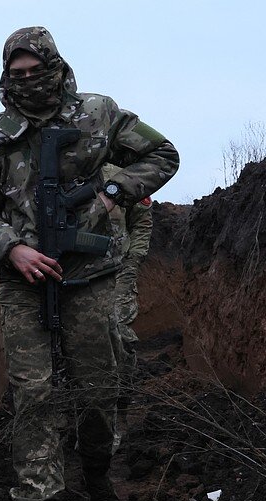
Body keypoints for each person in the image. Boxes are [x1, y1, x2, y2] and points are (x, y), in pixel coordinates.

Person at [0, 26, 178, 501]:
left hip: (93, 275)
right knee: (33, 398)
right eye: (18, 74)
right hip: (25, 282)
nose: (29, 82)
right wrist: (11, 246)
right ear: (7, 75)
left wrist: (115, 192)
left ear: (56, 65)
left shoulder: (99, 114)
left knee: (101, 386)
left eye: (38, 71)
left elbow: (162, 154)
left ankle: (99, 479)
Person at [102, 164, 153, 451]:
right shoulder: (60, 165)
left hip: (118, 270)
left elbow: (143, 222)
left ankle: (117, 415)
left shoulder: (122, 175)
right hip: (72, 271)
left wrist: (132, 262)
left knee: (118, 338)